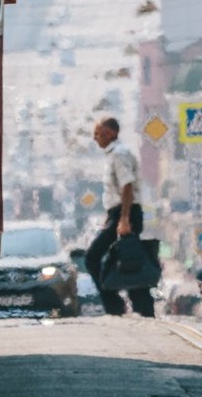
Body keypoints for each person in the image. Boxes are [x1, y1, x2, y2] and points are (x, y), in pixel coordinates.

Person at [84, 117, 155, 317]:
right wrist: (111, 217)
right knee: (128, 258)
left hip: (127, 213)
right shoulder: (113, 155)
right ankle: (142, 305)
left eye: (98, 133)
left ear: (110, 133)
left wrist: (123, 219)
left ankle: (114, 304)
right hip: (120, 213)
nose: (94, 137)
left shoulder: (119, 155)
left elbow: (127, 186)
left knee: (92, 257)